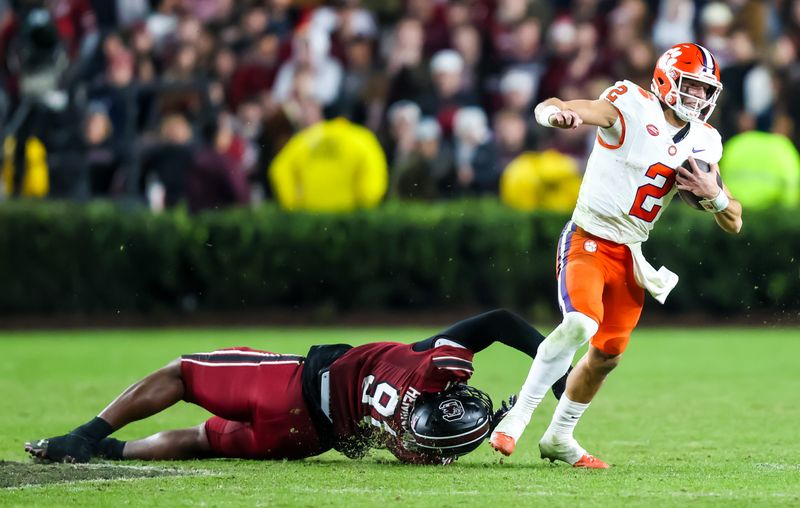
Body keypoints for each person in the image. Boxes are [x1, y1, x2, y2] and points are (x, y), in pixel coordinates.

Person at [490, 43, 743, 468]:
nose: (699, 98)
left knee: (606, 355)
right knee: (580, 322)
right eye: (692, 87)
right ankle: (516, 419)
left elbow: (735, 220)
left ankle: (559, 437)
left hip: (629, 252)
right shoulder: (630, 104)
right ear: (666, 80)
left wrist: (714, 195)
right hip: (588, 237)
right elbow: (563, 105)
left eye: (705, 90)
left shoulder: (705, 141)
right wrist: (555, 114)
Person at [25, 309, 568, 465]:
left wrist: (558, 378)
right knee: (200, 440)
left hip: (290, 388)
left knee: (182, 374)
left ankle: (86, 436)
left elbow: (496, 323)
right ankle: (113, 452)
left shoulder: (424, 365)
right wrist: (511, 415)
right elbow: (440, 436)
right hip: (306, 438)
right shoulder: (418, 450)